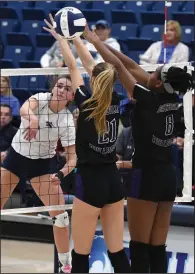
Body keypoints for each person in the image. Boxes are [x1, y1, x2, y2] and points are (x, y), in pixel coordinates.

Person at [43, 15, 135, 273]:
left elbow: (74, 65)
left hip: (91, 180)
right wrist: (77, 37)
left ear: (94, 80)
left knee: (80, 254)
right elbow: (88, 65)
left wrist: (63, 39)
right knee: (116, 251)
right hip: (113, 180)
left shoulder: (86, 100)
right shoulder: (115, 99)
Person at [102, 44, 193, 272]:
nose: (149, 74)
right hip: (168, 177)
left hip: (145, 176)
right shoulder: (173, 100)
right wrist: (99, 42)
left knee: (140, 247)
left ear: (159, 82)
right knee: (157, 247)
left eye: (154, 73)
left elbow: (121, 66)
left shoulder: (147, 99)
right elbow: (132, 66)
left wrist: (93, 41)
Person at [0, 75, 77, 273]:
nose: (61, 89)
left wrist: (60, 174)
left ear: (71, 95)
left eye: (66, 88)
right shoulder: (41, 98)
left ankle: (65, 264)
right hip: (16, 158)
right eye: (59, 85)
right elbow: (24, 108)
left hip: (42, 166)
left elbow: (72, 159)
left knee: (60, 217)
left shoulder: (67, 120)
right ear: (53, 89)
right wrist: (33, 118)